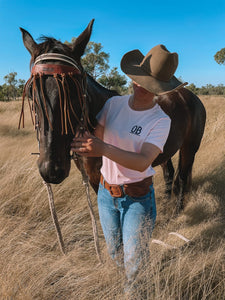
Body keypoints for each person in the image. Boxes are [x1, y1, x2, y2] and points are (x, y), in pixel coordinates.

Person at [71, 44, 185, 295]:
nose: (138, 85)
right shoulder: (114, 105)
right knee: (115, 253)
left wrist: (101, 148)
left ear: (160, 90)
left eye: (148, 84)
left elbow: (143, 161)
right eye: (137, 79)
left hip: (137, 200)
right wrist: (79, 138)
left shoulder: (160, 120)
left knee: (134, 265)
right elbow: (96, 135)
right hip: (105, 194)